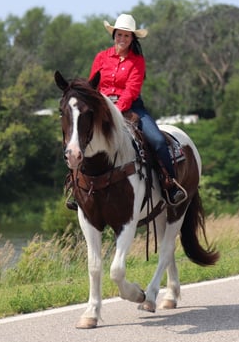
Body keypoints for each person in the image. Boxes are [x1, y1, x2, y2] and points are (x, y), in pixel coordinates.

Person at [67, 13, 187, 209]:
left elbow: (131, 90)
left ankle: (170, 183)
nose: (121, 39)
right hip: (101, 107)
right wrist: (99, 109)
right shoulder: (101, 58)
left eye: (126, 36)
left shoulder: (137, 61)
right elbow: (92, 87)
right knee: (79, 138)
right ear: (113, 35)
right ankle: (76, 187)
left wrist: (115, 111)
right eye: (119, 35)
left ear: (132, 39)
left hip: (131, 107)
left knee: (156, 140)